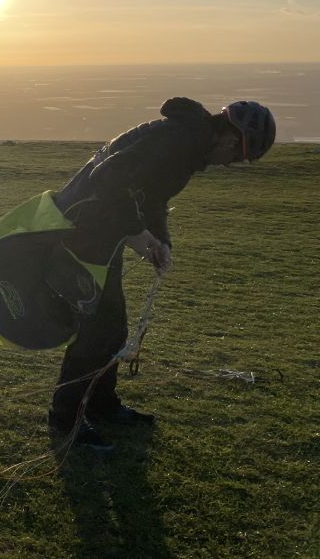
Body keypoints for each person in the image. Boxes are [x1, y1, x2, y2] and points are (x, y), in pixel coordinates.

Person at [47, 98, 275, 450]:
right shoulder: (176, 141)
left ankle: (102, 406)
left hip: (102, 233)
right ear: (231, 138)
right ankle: (66, 419)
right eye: (236, 156)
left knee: (113, 328)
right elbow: (105, 178)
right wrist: (138, 233)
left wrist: (161, 240)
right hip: (81, 231)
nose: (229, 163)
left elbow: (152, 197)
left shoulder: (189, 145)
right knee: (99, 329)